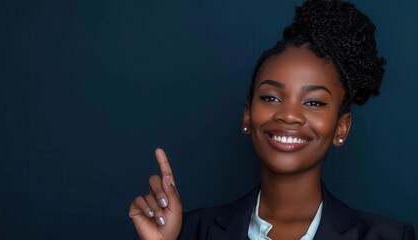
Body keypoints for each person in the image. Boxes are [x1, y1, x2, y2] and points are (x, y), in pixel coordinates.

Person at [129, 0, 416, 239]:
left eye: (314, 102)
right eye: (271, 98)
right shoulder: (189, 232)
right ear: (247, 114)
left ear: (341, 127)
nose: (289, 114)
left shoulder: (389, 236)